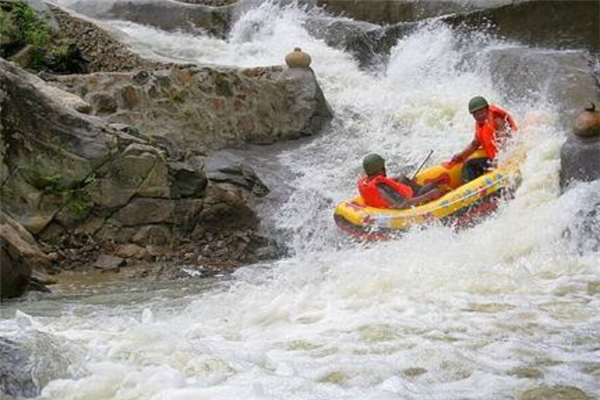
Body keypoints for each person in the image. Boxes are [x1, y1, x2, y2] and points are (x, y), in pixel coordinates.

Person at [451, 96, 518, 183]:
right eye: (476, 114)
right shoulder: (481, 125)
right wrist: (461, 155)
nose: (479, 116)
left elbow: (505, 141)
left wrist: (500, 161)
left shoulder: (497, 120)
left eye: (481, 112)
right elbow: (475, 144)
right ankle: (467, 186)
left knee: (471, 165)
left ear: (487, 109)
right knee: (469, 164)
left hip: (506, 158)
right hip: (494, 159)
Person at [358, 153, 448, 209]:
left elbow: (384, 182)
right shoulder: (382, 189)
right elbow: (403, 204)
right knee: (432, 186)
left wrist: (398, 179)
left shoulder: (367, 181)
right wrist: (428, 196)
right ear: (380, 170)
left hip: (394, 200)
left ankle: (424, 190)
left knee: (402, 178)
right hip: (408, 206)